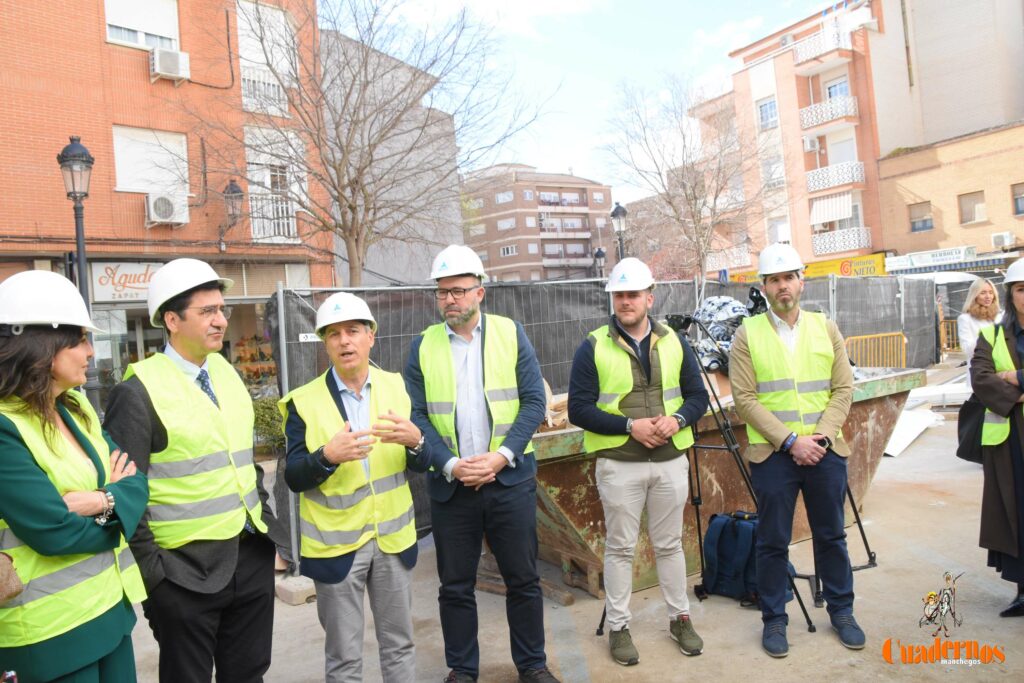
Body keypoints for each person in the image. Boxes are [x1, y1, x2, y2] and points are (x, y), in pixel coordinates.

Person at [103, 258, 286, 681]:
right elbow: (124, 494)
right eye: (207, 311)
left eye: (221, 309)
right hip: (182, 576)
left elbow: (242, 463)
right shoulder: (137, 392)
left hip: (249, 558)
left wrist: (267, 530)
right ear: (172, 320)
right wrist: (156, 581)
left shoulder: (225, 373)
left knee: (249, 675)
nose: (221, 320)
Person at [404, 245, 558, 683]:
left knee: (523, 579)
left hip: (509, 481)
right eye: (442, 292)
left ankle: (532, 665)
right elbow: (416, 415)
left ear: (480, 293)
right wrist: (451, 464)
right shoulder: (423, 346)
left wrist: (501, 456)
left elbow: (534, 401)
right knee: (455, 586)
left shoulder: (511, 334)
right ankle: (463, 670)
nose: (449, 299)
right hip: (453, 486)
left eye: (458, 291)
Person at [0, 270, 148, 680]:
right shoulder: (5, 427)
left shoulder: (77, 407)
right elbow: (53, 532)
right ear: (41, 347)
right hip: (48, 635)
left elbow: (134, 480)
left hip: (110, 611)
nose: (91, 351)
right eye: (80, 339)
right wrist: (119, 515)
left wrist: (102, 500)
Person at [567, 257, 709, 665]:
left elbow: (697, 396)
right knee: (620, 548)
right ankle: (618, 627)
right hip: (620, 462)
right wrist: (630, 426)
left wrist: (677, 420)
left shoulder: (675, 342)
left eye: (632, 294)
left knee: (669, 544)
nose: (625, 301)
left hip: (669, 460)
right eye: (619, 295)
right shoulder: (593, 345)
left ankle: (680, 619)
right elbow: (578, 409)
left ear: (650, 297)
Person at [280, 292, 428, 682]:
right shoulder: (303, 402)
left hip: (392, 541)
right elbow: (293, 477)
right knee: (344, 658)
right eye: (334, 334)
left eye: (353, 331)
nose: (345, 341)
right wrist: (326, 456)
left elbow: (420, 462)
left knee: (399, 645)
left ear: (370, 337)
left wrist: (417, 442)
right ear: (325, 343)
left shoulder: (397, 387)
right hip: (337, 548)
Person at [728, 242, 863, 658]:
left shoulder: (826, 328)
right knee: (772, 541)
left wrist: (820, 438)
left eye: (789, 277)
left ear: (801, 282)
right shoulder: (747, 334)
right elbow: (744, 399)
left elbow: (843, 389)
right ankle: (774, 619)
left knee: (832, 536)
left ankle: (842, 611)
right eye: (774, 280)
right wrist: (790, 441)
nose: (783, 286)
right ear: (764, 287)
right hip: (774, 456)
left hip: (824, 451)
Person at [969, 257, 1024, 617]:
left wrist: (1015, 377)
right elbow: (981, 379)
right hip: (1011, 442)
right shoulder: (991, 335)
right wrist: (1016, 392)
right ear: (1010, 294)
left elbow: (998, 378)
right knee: (1017, 512)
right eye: (1021, 289)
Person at [957, 277, 1001, 389]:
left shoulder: (1000, 316)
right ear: (974, 295)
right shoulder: (965, 319)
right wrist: (987, 336)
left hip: (1002, 370)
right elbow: (967, 349)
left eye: (991, 292)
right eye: (983, 293)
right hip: (980, 373)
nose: (988, 296)